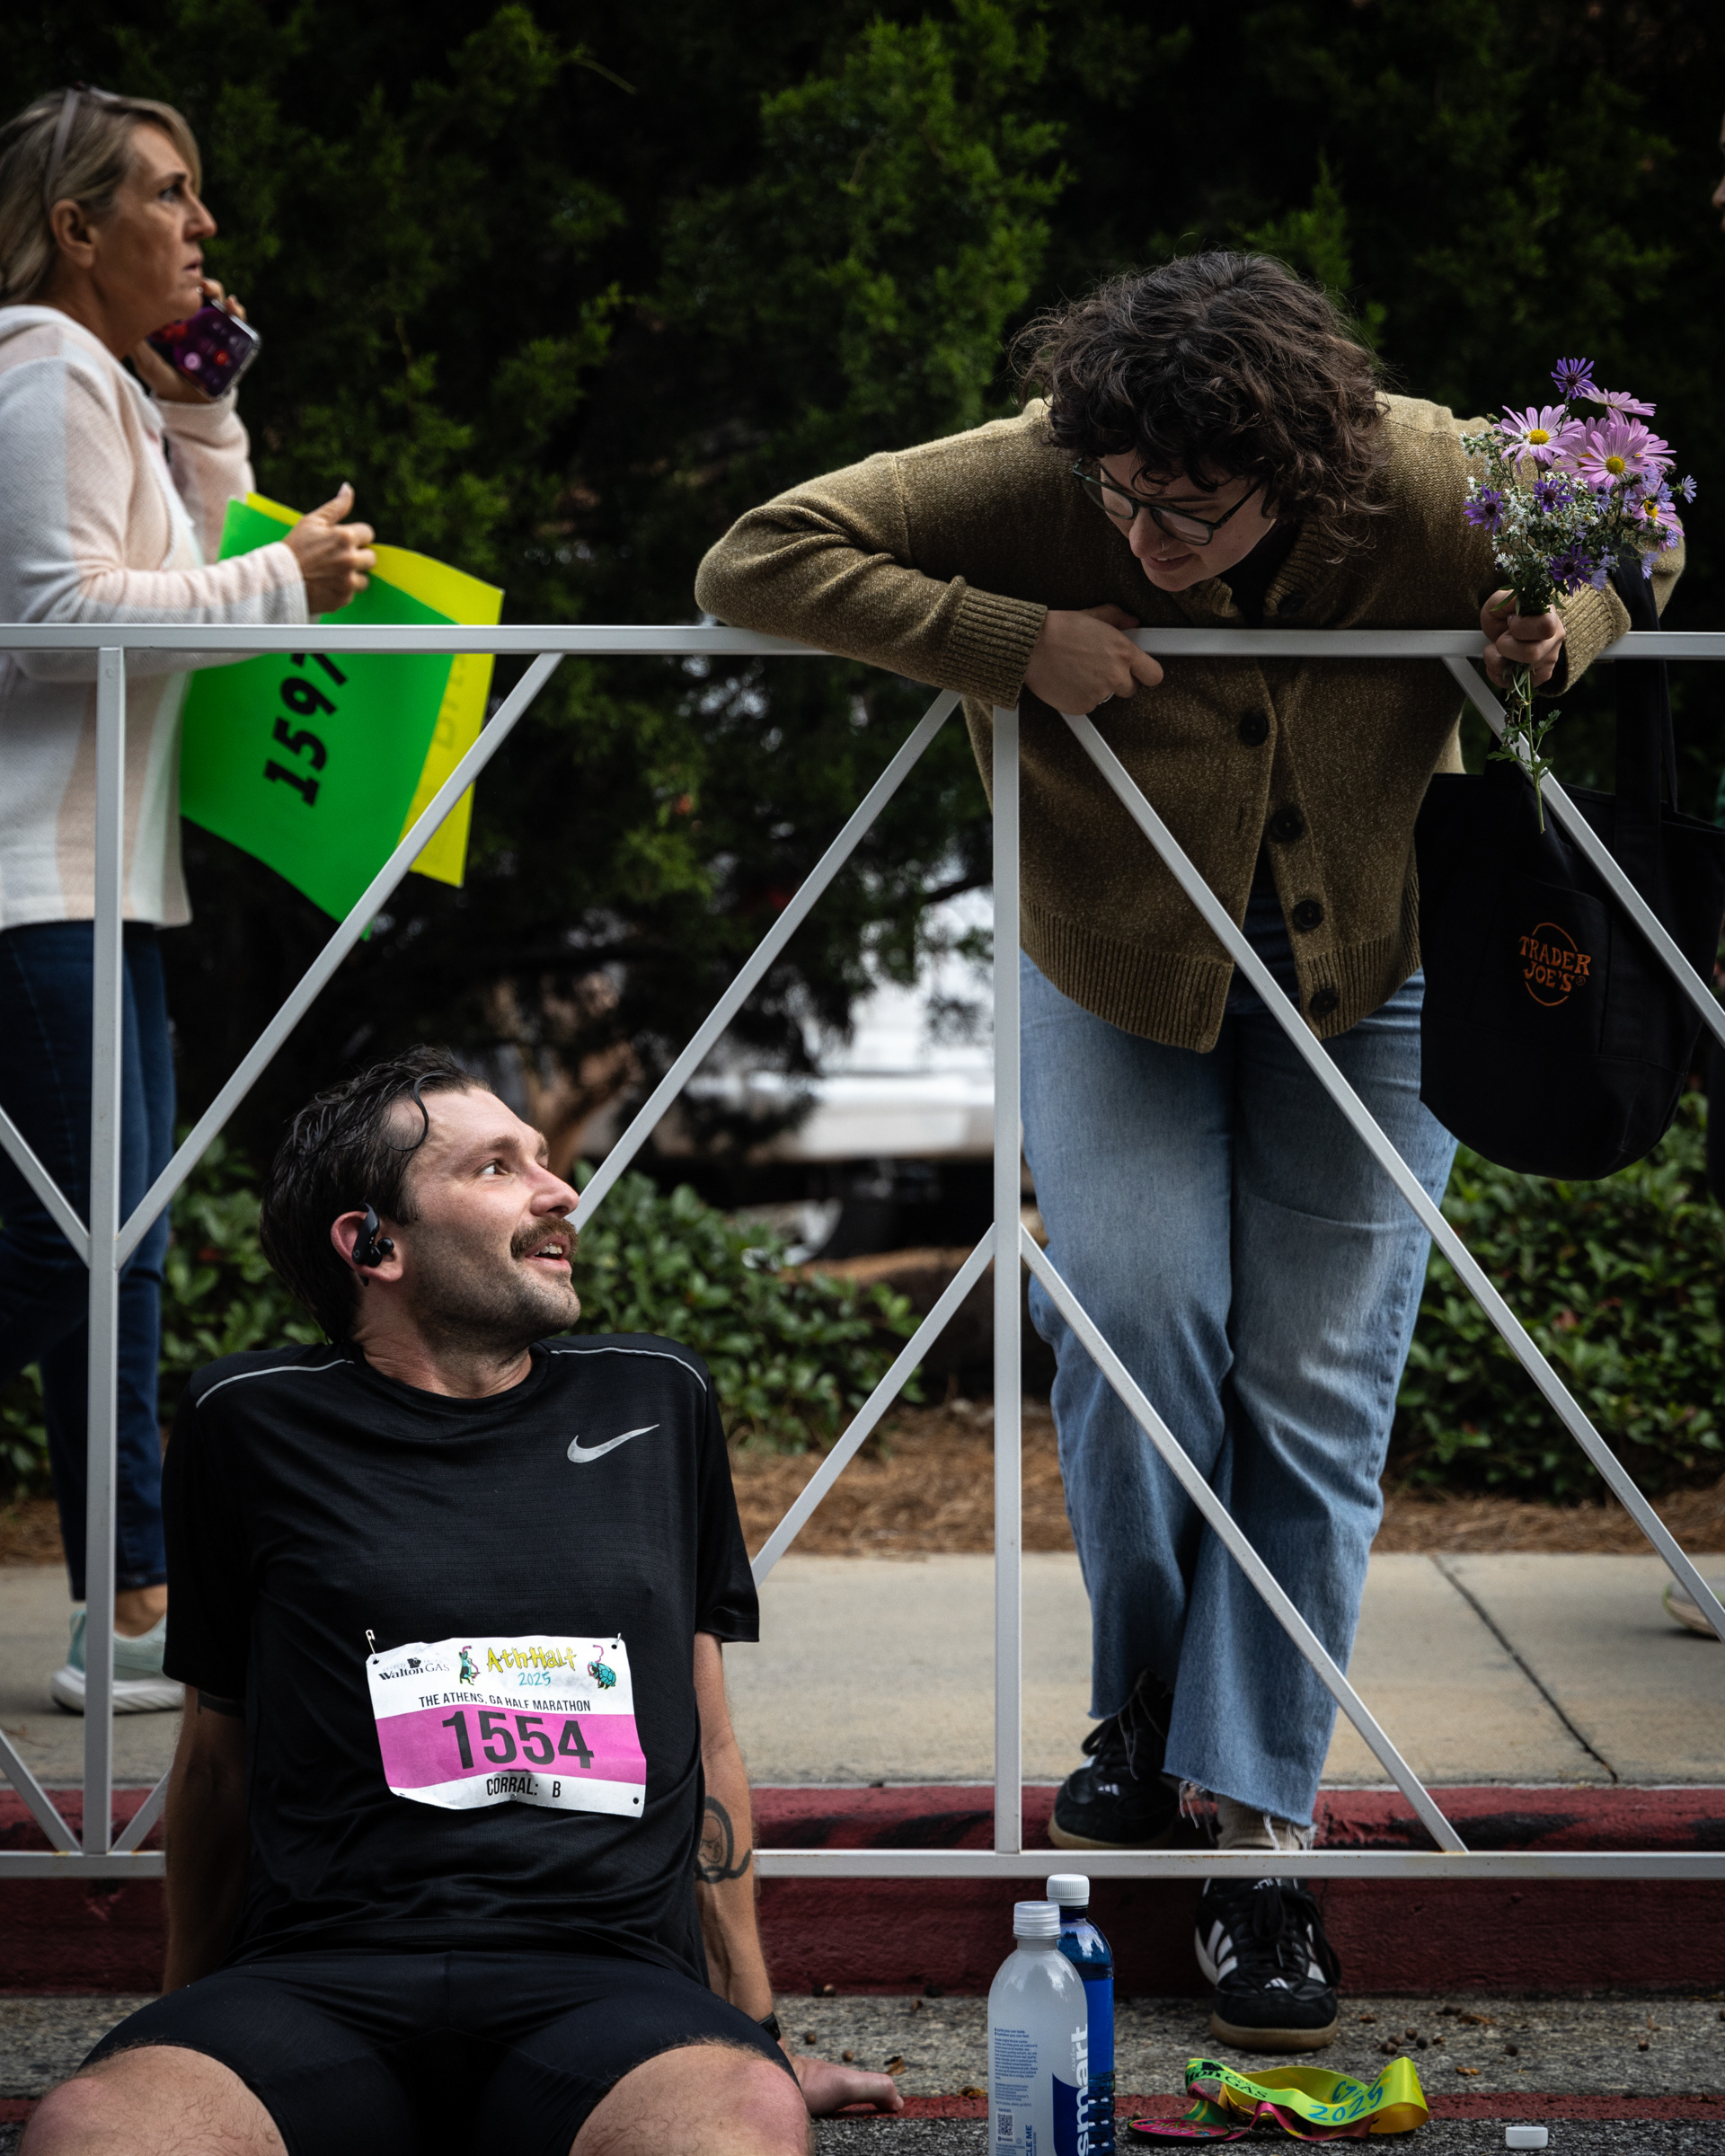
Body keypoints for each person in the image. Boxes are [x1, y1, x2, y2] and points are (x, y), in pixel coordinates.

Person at [694, 252, 1670, 2050]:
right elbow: (754, 554)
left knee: (1315, 1382)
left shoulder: (1425, 471)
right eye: (1125, 496)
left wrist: (1569, 622)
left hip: (1369, 979)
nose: (1146, 531)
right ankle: (1145, 1715)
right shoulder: (1057, 470)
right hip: (1115, 979)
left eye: (1190, 506)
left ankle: (1255, 1834)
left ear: (1302, 466)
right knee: (1138, 1331)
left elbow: (1641, 528)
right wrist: (1012, 641)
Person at [22, 1047, 900, 2156]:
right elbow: (215, 1759)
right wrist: (181, 2031)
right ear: (372, 1244)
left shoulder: (655, 1397)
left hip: (609, 1986)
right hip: (318, 1980)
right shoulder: (248, 1420)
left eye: (542, 1159)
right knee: (94, 2135)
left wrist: (757, 2036)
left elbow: (707, 1734)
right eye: (497, 1167)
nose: (560, 1191)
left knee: (731, 2136)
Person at [0, 85, 374, 1713]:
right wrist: (282, 580)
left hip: (96, 885)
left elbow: (174, 570)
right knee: (81, 1251)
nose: (203, 227)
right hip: (32, 889)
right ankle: (133, 1606)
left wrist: (206, 416)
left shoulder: (103, 387)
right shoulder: (43, 375)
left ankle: (132, 1608)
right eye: (169, 193)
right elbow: (55, 618)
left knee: (111, 1251)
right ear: (77, 227)